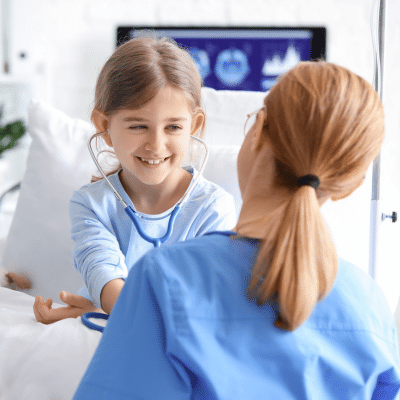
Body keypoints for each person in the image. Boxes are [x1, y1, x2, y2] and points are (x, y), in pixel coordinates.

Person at [73, 61, 400, 399]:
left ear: (257, 131)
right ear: (349, 187)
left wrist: (128, 316)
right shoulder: (370, 306)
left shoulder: (164, 280)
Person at [33, 35, 236, 323]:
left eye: (173, 127)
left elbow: (201, 303)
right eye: (138, 125)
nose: (156, 144)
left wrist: (101, 312)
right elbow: (104, 277)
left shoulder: (214, 208)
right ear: (104, 127)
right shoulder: (91, 204)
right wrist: (104, 308)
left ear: (196, 126)